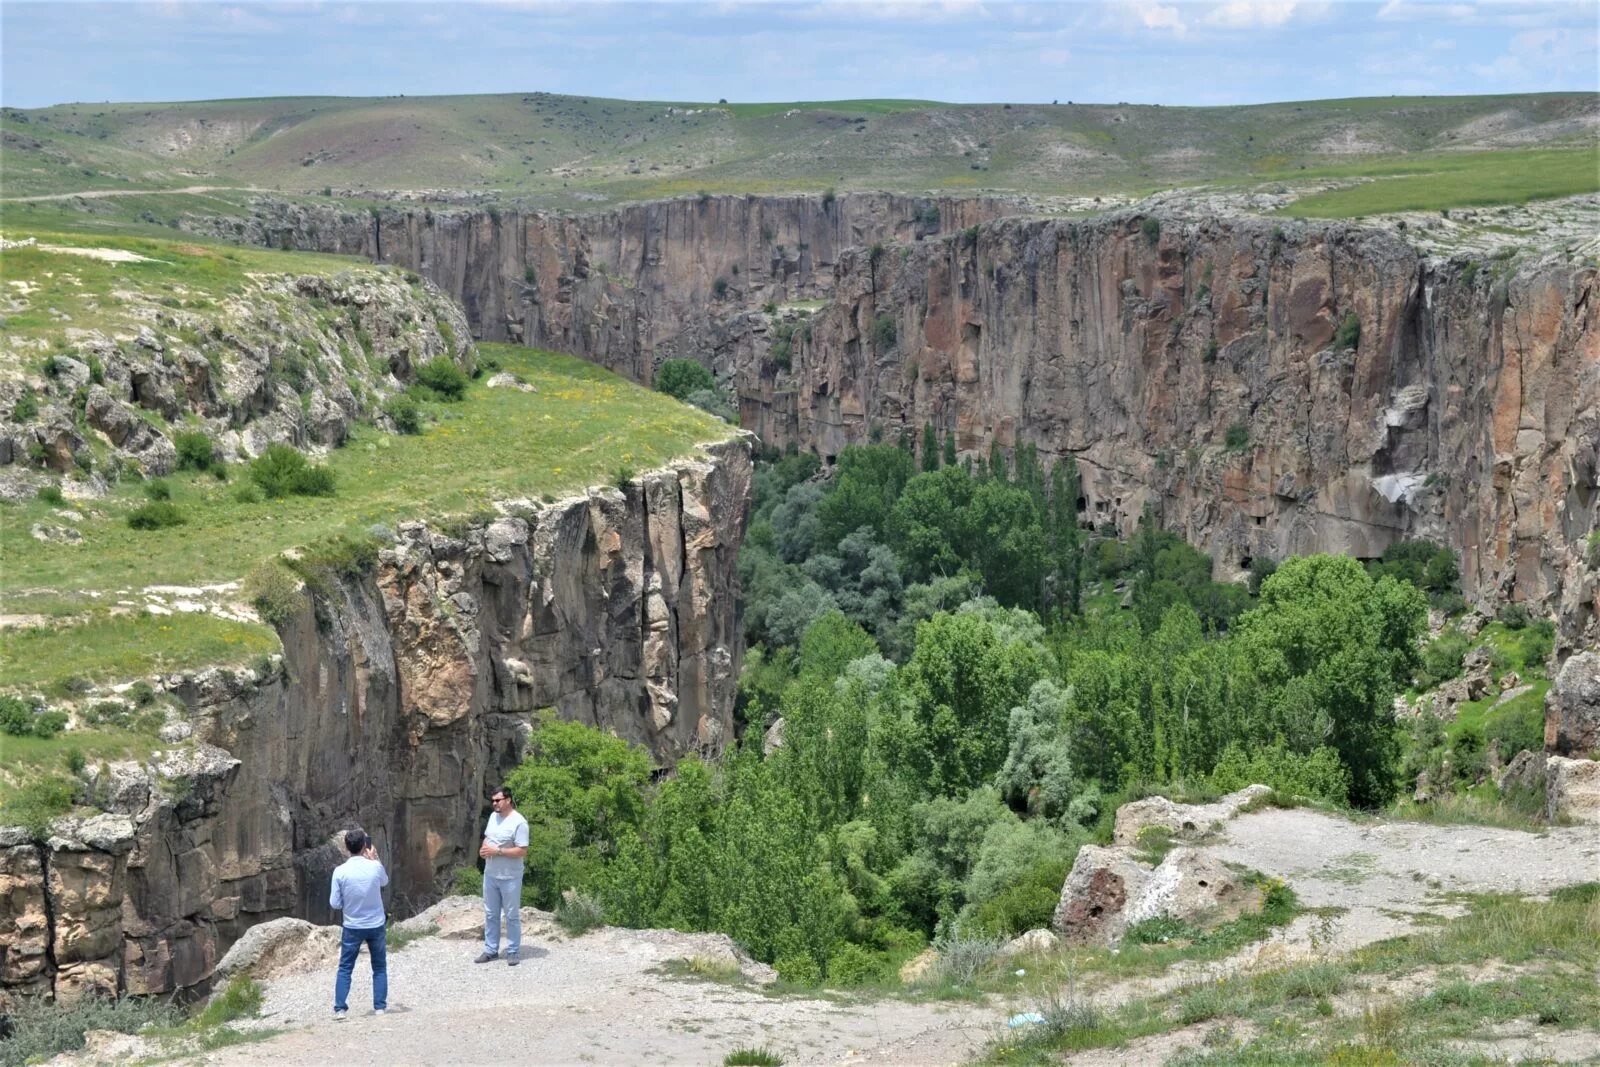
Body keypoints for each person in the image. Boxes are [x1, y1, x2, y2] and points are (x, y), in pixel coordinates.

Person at [329, 829, 389, 1019]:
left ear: (346, 848)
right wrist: (374, 860)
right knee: (379, 967)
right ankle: (379, 1007)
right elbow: (384, 882)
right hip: (376, 924)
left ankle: (340, 1009)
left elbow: (335, 903)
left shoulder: (340, 872)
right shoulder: (375, 867)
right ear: (365, 846)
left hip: (353, 926)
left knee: (345, 967)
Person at [476, 785, 529, 966]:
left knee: (512, 915)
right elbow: (487, 838)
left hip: (510, 877)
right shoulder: (493, 817)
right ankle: (491, 950)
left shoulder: (519, 822)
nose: (494, 804)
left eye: (497, 800)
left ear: (508, 800)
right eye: (492, 801)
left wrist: (497, 851)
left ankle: (513, 951)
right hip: (490, 875)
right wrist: (483, 849)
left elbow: (522, 851)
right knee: (491, 914)